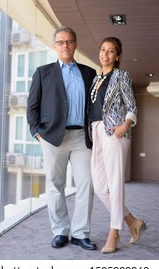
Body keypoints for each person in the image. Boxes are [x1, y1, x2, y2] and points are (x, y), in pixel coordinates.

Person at [27, 26, 97, 250]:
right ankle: (60, 231)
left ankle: (80, 233)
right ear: (55, 46)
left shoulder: (89, 73)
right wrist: (37, 132)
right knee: (55, 185)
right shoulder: (43, 72)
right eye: (60, 42)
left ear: (75, 45)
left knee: (87, 183)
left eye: (69, 41)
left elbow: (95, 107)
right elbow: (32, 106)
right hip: (52, 136)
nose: (65, 46)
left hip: (81, 137)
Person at [88, 37, 147, 253]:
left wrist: (124, 126)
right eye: (103, 50)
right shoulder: (95, 80)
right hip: (96, 132)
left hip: (115, 133)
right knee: (100, 186)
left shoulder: (122, 76)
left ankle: (114, 233)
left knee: (114, 184)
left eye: (110, 51)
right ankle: (132, 222)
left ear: (117, 56)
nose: (105, 54)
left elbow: (132, 106)